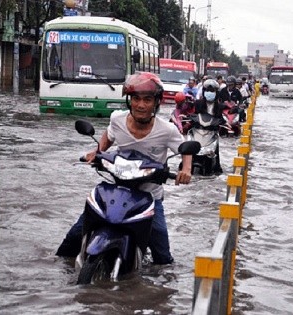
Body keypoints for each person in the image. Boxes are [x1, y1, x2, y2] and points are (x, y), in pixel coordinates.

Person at [56, 72, 193, 265]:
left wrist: (185, 169)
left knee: (162, 254)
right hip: (116, 189)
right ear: (129, 101)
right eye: (136, 99)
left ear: (156, 103)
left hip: (149, 196)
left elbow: (185, 149)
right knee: (75, 234)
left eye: (147, 99)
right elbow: (109, 135)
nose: (141, 105)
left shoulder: (167, 130)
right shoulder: (117, 119)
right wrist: (97, 151)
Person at [193, 79, 227, 174]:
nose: (209, 93)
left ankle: (216, 168)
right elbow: (194, 115)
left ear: (216, 93)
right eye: (207, 90)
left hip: (212, 132)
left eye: (212, 91)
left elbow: (221, 118)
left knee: (215, 151)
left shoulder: (219, 106)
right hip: (198, 131)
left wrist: (224, 123)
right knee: (190, 147)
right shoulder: (198, 104)